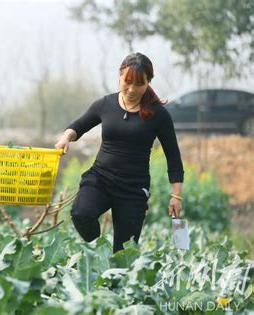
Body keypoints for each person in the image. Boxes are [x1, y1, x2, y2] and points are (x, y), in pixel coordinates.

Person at [55, 52, 183, 253]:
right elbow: (79, 125)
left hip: (133, 190)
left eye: (139, 84)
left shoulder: (158, 115)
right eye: (127, 81)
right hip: (100, 180)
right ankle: (99, 252)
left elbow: (173, 156)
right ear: (120, 76)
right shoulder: (106, 104)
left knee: (123, 255)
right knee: (81, 214)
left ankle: (115, 275)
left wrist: (177, 196)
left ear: (148, 82)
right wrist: (66, 137)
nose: (131, 89)